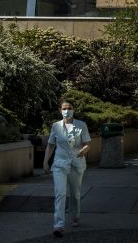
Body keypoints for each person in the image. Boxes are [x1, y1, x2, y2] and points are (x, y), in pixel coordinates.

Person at [43, 101, 91, 238]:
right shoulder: (56, 126)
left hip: (76, 164)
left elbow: (87, 143)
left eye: (69, 108)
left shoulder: (81, 125)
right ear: (60, 110)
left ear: (73, 110)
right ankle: (58, 225)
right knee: (60, 193)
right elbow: (51, 145)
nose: (67, 110)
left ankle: (75, 216)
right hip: (59, 164)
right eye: (64, 108)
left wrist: (84, 149)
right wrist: (45, 162)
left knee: (75, 194)